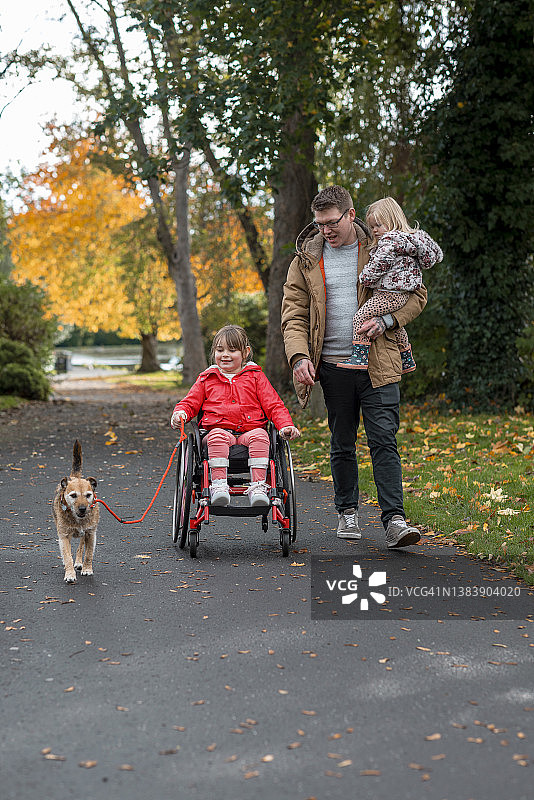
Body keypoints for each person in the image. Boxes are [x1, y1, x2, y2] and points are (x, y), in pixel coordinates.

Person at [281, 186, 427, 547]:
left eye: (331, 222)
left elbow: (417, 294)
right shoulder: (305, 260)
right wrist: (299, 357)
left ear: (349, 215)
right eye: (319, 224)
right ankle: (348, 511)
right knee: (342, 442)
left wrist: (388, 321)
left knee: (384, 441)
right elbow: (293, 315)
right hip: (332, 367)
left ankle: (395, 521)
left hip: (379, 364)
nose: (325, 230)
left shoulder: (382, 245)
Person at [170, 325, 300, 507]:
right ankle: (219, 485)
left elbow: (274, 405)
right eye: (220, 349)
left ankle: (258, 486)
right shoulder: (207, 379)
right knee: (216, 437)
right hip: (218, 430)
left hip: (251, 430)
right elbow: (190, 402)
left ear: (245, 352)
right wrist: (180, 413)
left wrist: (285, 425)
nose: (225, 355)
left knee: (262, 437)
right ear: (213, 352)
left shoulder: (256, 377)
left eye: (232, 350)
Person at [337, 197, 442, 372]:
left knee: (360, 317)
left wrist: (365, 278)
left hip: (388, 294)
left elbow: (379, 264)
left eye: (378, 225)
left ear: (392, 221)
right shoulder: (409, 241)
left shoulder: (390, 242)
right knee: (396, 327)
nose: (375, 230)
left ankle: (359, 356)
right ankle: (406, 358)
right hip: (401, 295)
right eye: (372, 227)